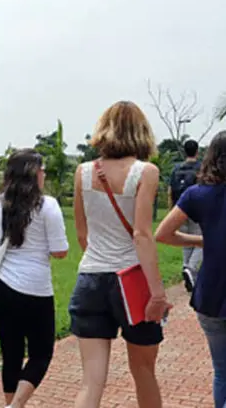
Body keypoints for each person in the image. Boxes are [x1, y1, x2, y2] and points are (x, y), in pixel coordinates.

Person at [69, 101, 172, 408]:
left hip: (90, 278)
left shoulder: (83, 172)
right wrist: (157, 293)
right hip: (132, 282)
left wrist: (101, 259)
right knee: (143, 371)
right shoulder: (145, 172)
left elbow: (82, 235)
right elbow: (142, 235)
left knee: (91, 381)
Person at [0, 148, 69, 408]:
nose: (45, 174)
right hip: (35, 289)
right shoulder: (47, 206)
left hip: (1, 288)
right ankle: (16, 405)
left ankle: (10, 403)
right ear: (33, 173)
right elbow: (60, 251)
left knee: (11, 354)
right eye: (42, 170)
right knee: (41, 353)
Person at [155, 130, 226, 407]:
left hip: (210, 296)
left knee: (221, 371)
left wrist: (201, 240)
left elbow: (163, 233)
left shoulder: (198, 194)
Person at [168, 138, 202, 292]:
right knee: (202, 241)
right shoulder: (201, 168)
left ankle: (186, 269)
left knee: (185, 241)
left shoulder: (176, 169)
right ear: (197, 151)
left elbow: (170, 191)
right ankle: (191, 268)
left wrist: (171, 211)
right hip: (196, 209)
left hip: (179, 209)